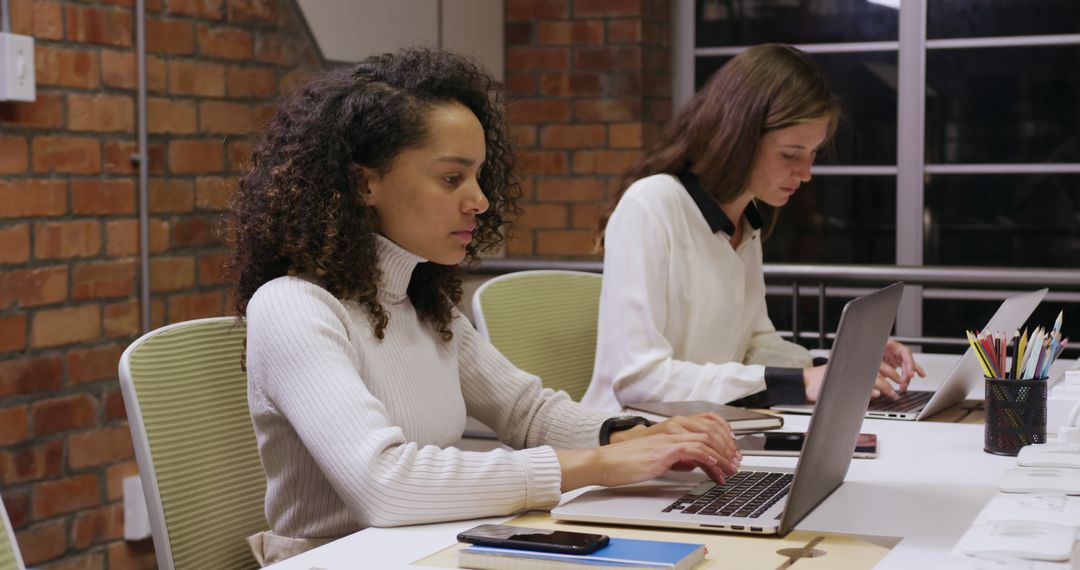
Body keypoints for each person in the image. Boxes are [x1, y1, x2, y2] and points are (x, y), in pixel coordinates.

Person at [226, 48, 741, 566]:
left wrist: (633, 436)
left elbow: (525, 411)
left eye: (478, 177)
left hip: (432, 551)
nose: (481, 200)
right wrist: (598, 464)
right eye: (453, 179)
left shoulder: (420, 302)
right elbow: (385, 484)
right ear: (366, 183)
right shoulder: (293, 306)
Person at [580, 44, 925, 413]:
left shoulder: (744, 222)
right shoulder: (650, 205)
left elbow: (754, 347)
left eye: (812, 155)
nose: (805, 174)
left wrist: (838, 365)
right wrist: (800, 382)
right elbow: (638, 380)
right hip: (628, 442)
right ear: (738, 137)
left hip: (705, 434)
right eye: (791, 154)